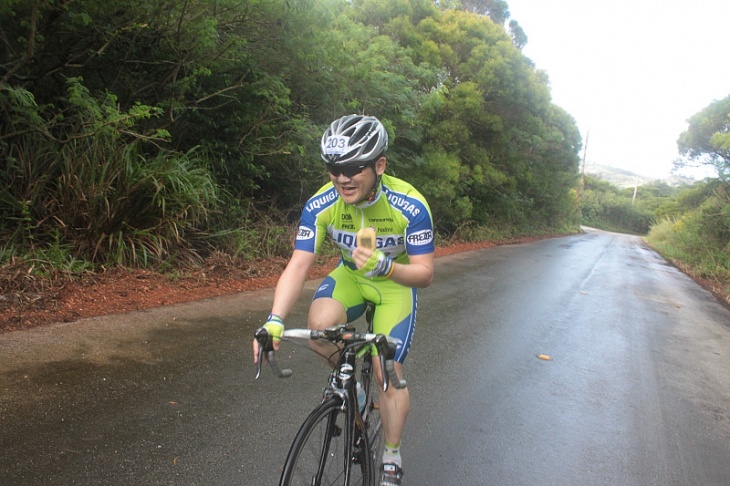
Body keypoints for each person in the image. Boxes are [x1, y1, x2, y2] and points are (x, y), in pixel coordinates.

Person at [252, 114, 434, 486]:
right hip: (350, 276)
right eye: (334, 168)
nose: (342, 178)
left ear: (379, 165)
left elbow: (424, 274)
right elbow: (299, 264)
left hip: (394, 283)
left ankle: (391, 454)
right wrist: (275, 319)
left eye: (353, 168)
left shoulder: (411, 205)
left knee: (386, 373)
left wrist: (386, 267)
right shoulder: (322, 203)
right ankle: (355, 390)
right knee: (319, 329)